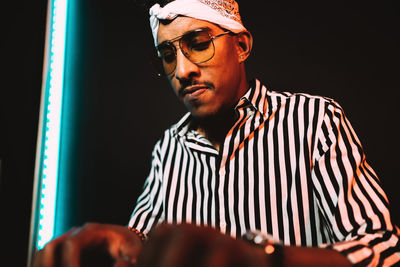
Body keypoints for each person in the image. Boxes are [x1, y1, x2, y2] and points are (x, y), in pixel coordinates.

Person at [33, 0, 400, 266]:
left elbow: (383, 247)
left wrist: (261, 259)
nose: (183, 69)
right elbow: (140, 240)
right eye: (167, 54)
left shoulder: (314, 120)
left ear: (241, 46)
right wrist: (122, 246)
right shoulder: (169, 148)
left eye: (198, 42)